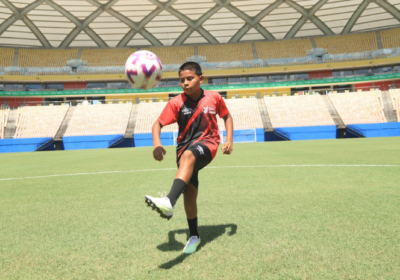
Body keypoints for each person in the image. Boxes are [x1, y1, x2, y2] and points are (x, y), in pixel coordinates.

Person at [144, 61, 234, 254]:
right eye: (182, 80)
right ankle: (194, 236)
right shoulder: (176, 102)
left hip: (208, 145)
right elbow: (157, 124)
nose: (185, 83)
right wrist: (157, 144)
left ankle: (168, 201)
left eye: (189, 78)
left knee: (189, 154)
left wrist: (229, 140)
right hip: (183, 150)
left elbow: (227, 116)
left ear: (201, 79)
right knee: (190, 194)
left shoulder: (214, 97)